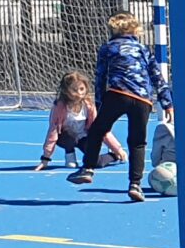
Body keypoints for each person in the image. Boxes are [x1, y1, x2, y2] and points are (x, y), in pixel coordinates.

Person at [67, 12, 162, 202]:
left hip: (118, 94)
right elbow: (156, 76)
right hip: (143, 99)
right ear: (135, 30)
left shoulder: (108, 47)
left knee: (97, 130)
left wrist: (99, 102)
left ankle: (88, 169)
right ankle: (135, 184)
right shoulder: (143, 49)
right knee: (137, 142)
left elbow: (101, 75)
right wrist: (166, 101)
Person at [34, 71, 124, 170]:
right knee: (68, 135)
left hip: (83, 137)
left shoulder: (89, 106)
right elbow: (53, 131)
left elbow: (99, 128)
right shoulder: (59, 107)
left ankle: (113, 156)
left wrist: (117, 149)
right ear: (66, 90)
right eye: (74, 90)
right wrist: (45, 159)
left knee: (95, 162)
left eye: (81, 89)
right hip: (65, 137)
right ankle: (70, 154)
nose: (79, 93)